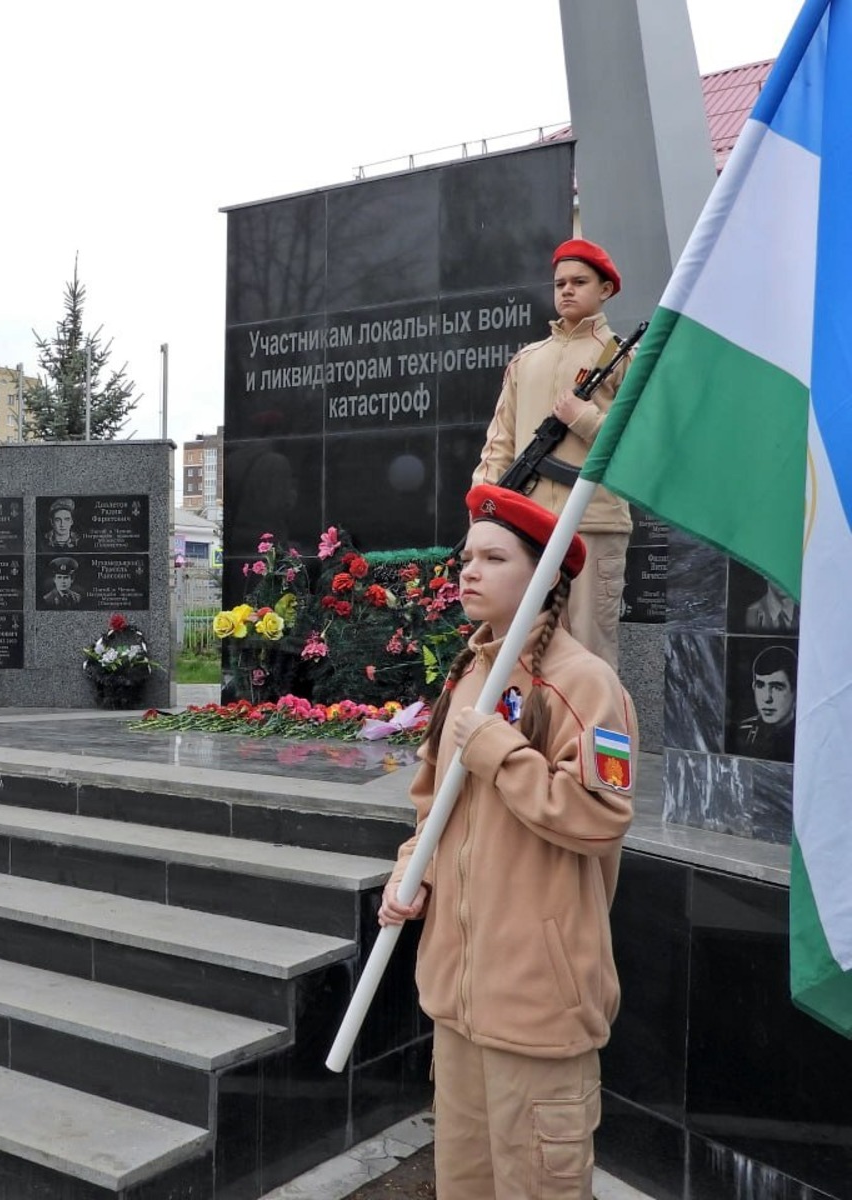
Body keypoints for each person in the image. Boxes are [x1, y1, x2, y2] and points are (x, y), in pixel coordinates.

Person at [379, 484, 636, 1200]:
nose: (469, 571)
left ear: (546, 575)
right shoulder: (468, 677)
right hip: (456, 1003)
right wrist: (412, 874)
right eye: (467, 557)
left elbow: (601, 817)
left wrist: (499, 752)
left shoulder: (586, 684)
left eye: (494, 558)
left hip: (540, 1010)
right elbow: (432, 806)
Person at [472, 238, 634, 668]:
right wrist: (484, 515)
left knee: (590, 652)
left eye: (579, 282)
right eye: (560, 283)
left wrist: (584, 418)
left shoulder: (624, 359)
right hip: (526, 529)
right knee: (521, 650)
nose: (567, 290)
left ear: (605, 289)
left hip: (592, 523)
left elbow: (641, 445)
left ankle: (592, 718)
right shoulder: (526, 361)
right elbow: (499, 445)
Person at [735, 645, 796, 762]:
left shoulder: (806, 734)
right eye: (760, 685)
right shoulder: (742, 732)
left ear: (795, 691)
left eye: (777, 687)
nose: (767, 698)